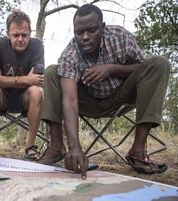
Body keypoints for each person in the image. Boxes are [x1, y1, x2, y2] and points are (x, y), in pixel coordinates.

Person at [37, 4, 170, 179]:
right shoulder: (70, 54)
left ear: (103, 27)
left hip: (121, 97)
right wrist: (74, 147)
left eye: (91, 30)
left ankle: (137, 151)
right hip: (87, 102)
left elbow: (144, 68)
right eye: (79, 32)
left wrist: (112, 68)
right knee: (52, 71)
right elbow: (70, 100)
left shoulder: (120, 38)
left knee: (159, 63)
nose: (85, 37)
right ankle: (56, 147)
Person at [0, 9, 44, 159]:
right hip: (1, 99)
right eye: (15, 35)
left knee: (37, 92)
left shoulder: (36, 46)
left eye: (25, 35)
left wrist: (1, 79)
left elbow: (36, 80)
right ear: (7, 34)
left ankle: (30, 146)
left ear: (30, 33)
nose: (20, 39)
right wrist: (25, 80)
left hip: (25, 99)